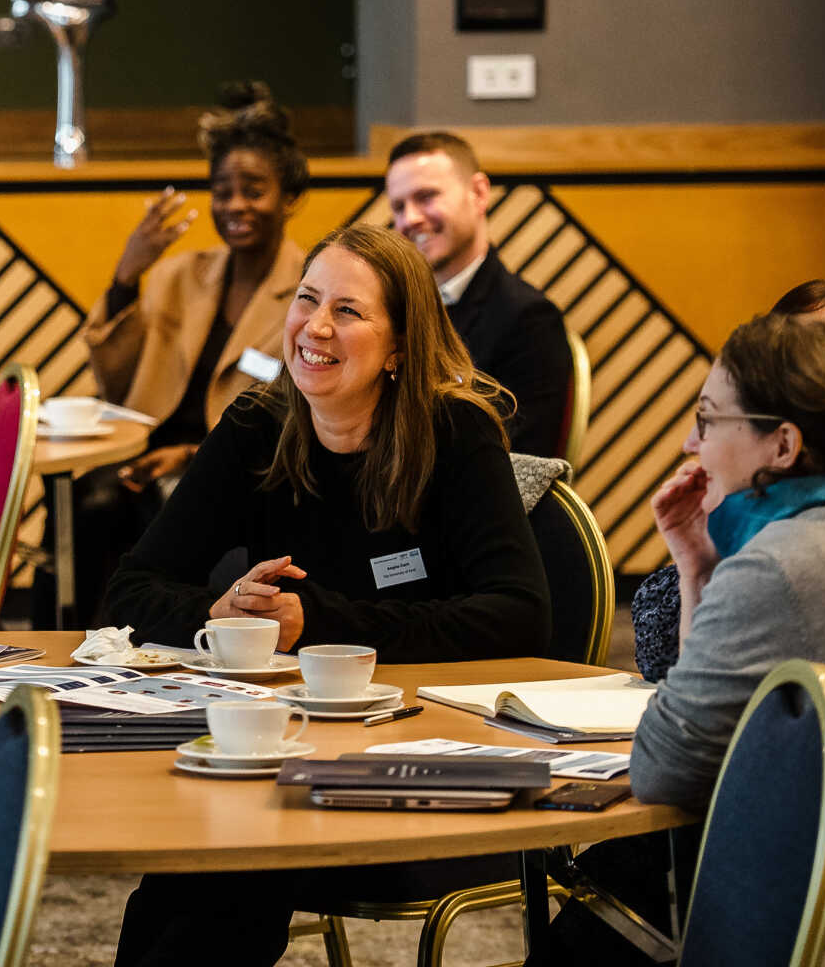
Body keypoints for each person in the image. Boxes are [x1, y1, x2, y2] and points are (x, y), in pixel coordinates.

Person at [106, 222, 551, 966]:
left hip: (428, 761)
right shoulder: (259, 426)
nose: (315, 326)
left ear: (402, 345)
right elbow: (130, 588)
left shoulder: (456, 434)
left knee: (231, 863)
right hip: (285, 750)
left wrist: (317, 623)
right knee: (189, 878)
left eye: (348, 310)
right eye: (307, 299)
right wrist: (218, 616)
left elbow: (520, 615)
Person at [547, 316, 825, 967]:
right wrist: (698, 569)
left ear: (783, 445)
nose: (691, 443)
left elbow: (663, 771)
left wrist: (720, 573)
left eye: (708, 419)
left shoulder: (779, 565)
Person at [55, 82, 308, 627]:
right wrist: (127, 276)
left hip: (234, 464)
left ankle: (144, 641)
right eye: (222, 190)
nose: (235, 204)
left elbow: (296, 415)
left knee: (138, 509)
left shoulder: (309, 290)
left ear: (289, 198)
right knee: (83, 503)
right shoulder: (178, 275)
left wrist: (193, 454)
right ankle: (81, 643)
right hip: (143, 448)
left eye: (253, 189)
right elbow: (116, 387)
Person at [630, 278, 825, 682]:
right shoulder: (758, 508)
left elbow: (688, 727)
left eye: (809, 354)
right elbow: (662, 654)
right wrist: (699, 567)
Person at [385, 130, 571, 457]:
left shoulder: (529, 320)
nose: (409, 219)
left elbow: (524, 463)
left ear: (479, 193)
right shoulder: (394, 309)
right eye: (399, 206)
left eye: (426, 197)